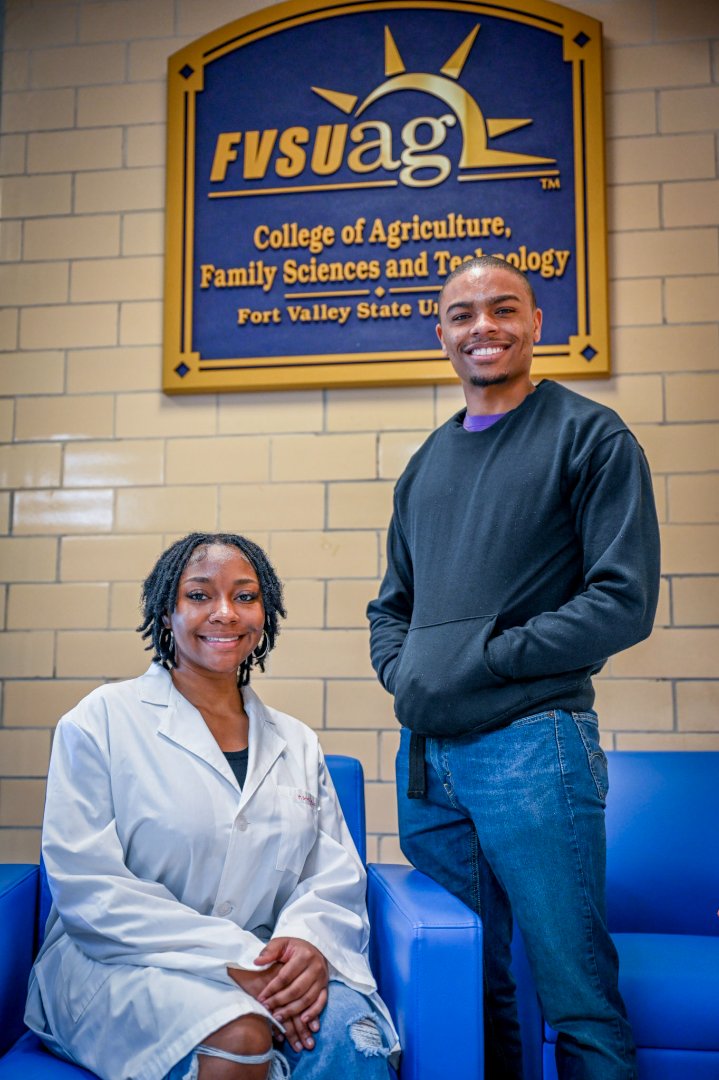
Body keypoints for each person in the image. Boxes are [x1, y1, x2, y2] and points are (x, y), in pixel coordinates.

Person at [367, 256, 660, 1080]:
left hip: (532, 749)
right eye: (462, 315)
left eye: (502, 309)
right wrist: (407, 671)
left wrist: (485, 658)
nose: (482, 327)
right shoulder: (427, 461)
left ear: (537, 323)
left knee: (576, 991)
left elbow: (620, 601)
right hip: (428, 761)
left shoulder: (588, 435)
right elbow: (391, 606)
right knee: (474, 988)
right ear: (441, 335)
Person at [26, 532, 398, 1080]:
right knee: (240, 1033)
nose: (225, 613)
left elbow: (332, 875)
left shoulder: (296, 742)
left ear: (264, 613)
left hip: (270, 960)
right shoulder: (99, 720)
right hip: (122, 962)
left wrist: (307, 944)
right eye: (199, 596)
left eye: (245, 597)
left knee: (346, 1033)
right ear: (166, 611)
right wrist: (241, 961)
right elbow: (91, 889)